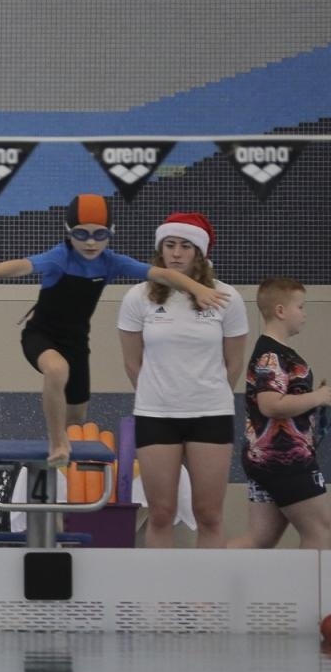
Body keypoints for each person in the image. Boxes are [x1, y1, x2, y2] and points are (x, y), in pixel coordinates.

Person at [0, 194, 228, 469]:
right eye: (82, 234)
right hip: (40, 336)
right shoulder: (60, 257)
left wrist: (198, 288)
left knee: (77, 418)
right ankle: (57, 443)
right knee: (56, 370)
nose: (91, 242)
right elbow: (22, 266)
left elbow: (162, 274)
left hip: (77, 345)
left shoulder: (111, 262)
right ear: (69, 232)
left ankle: (62, 464)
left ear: (110, 232)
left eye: (99, 234)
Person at [117, 213, 248, 548]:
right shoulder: (138, 297)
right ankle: (161, 585)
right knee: (161, 514)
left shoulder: (226, 297)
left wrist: (207, 393)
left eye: (185, 246)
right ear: (160, 250)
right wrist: (158, 395)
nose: (176, 253)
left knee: (210, 514)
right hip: (156, 415)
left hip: (210, 414)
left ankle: (209, 585)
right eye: (170, 245)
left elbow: (233, 363)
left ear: (199, 252)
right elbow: (132, 362)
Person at [227, 278, 330, 550]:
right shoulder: (271, 355)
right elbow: (270, 404)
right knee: (321, 530)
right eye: (301, 307)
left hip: (267, 460)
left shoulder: (277, 353)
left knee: (259, 539)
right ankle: (308, 588)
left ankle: (205, 575)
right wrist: (318, 397)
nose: (304, 314)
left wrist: (312, 401)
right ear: (281, 311)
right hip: (283, 459)